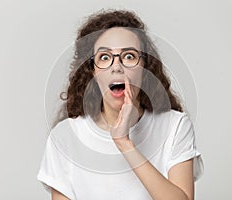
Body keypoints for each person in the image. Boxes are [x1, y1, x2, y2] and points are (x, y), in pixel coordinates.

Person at [37, 9, 203, 200]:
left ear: (145, 67)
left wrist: (124, 143)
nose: (117, 66)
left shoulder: (175, 126)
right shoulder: (64, 138)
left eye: (129, 56)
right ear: (92, 71)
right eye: (105, 57)